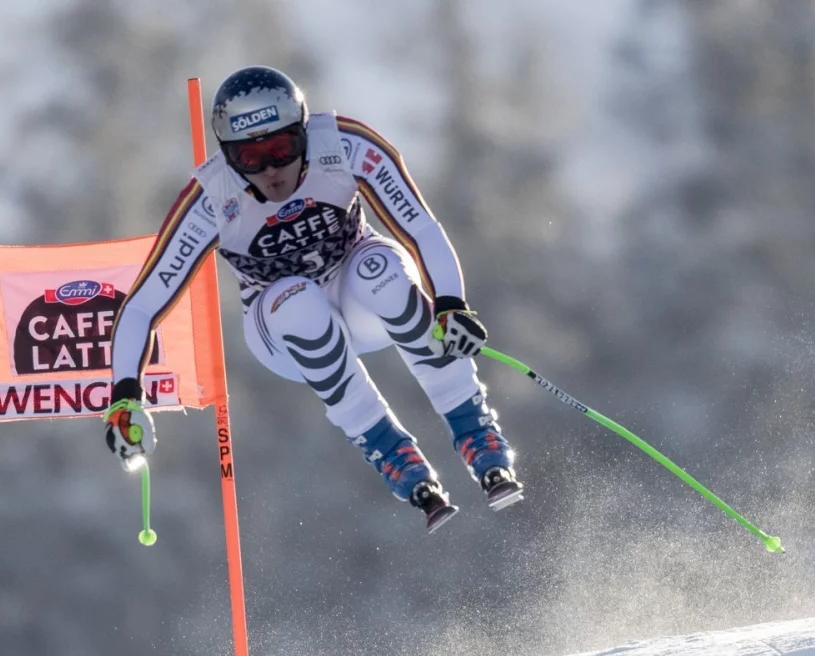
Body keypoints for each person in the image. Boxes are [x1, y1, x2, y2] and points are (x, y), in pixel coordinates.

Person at [104, 65, 522, 532]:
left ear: (303, 132)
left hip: (357, 293)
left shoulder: (344, 146)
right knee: (297, 298)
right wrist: (124, 399)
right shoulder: (211, 196)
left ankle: (476, 432)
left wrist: (450, 304)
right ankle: (391, 452)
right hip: (280, 325)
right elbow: (141, 305)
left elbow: (420, 226)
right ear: (227, 154)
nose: (271, 170)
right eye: (249, 157)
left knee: (379, 268)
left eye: (282, 149)